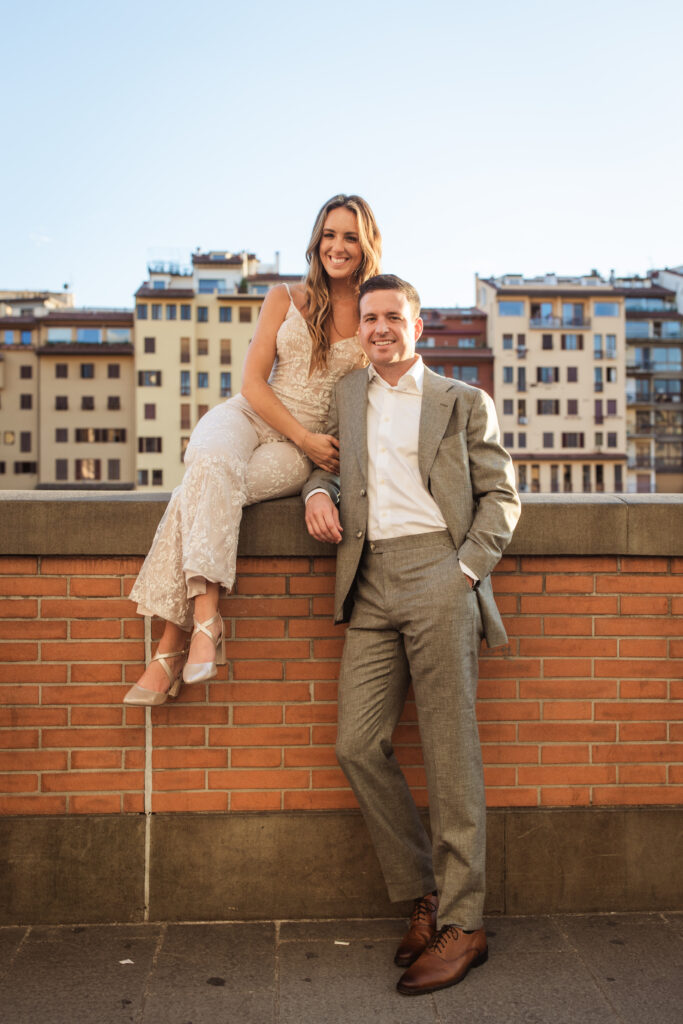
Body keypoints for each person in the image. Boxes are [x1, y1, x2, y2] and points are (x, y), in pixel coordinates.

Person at [303, 274, 520, 996]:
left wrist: (463, 570)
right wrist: (313, 491)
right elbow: (327, 467)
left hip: (438, 570)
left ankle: (464, 923)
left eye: (393, 316)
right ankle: (429, 892)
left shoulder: (461, 401)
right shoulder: (349, 397)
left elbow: (500, 495)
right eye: (369, 318)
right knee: (356, 743)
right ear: (358, 327)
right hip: (368, 579)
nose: (379, 328)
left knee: (451, 750)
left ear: (416, 326)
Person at [123, 195, 381, 706]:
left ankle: (171, 647)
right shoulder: (285, 297)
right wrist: (308, 437)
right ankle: (205, 622)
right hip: (247, 415)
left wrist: (310, 448)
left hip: (295, 452)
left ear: (366, 244)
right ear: (316, 240)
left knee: (198, 489)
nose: (338, 246)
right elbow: (252, 382)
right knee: (212, 463)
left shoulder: (375, 313)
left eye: (350, 237)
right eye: (330, 234)